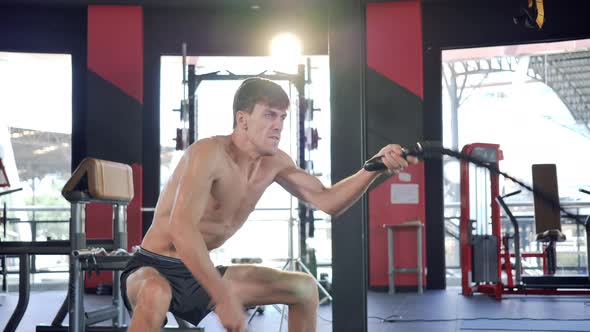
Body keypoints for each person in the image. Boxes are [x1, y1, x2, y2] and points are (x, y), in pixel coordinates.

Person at [120, 77, 417, 332]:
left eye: (282, 118)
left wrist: (372, 170)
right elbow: (181, 229)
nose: (278, 126)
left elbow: (328, 201)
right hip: (155, 266)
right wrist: (223, 296)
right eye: (269, 115)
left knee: (303, 288)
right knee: (155, 293)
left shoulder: (275, 163)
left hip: (199, 272)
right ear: (242, 119)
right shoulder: (208, 153)